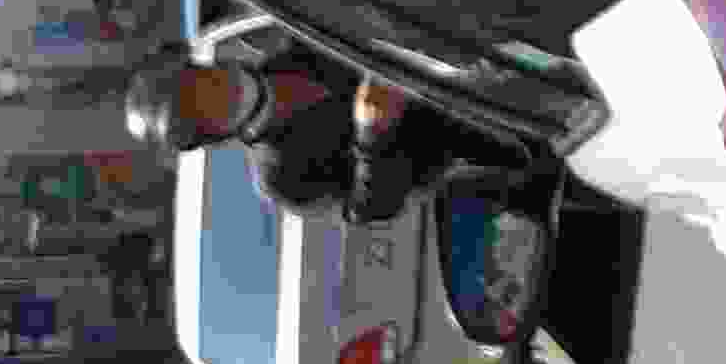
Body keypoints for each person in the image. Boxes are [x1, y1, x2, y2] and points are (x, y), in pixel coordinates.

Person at [125, 29, 492, 225]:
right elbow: (370, 208)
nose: (217, 88)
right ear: (208, 133)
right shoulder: (281, 177)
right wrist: (372, 135)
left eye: (202, 81)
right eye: (203, 106)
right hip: (478, 144)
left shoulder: (299, 41)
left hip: (477, 65)